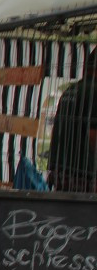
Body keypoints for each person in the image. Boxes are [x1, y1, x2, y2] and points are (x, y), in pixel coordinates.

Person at [47, 47, 97, 193]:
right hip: (84, 174)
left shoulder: (70, 90)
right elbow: (94, 135)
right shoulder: (94, 91)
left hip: (62, 170)